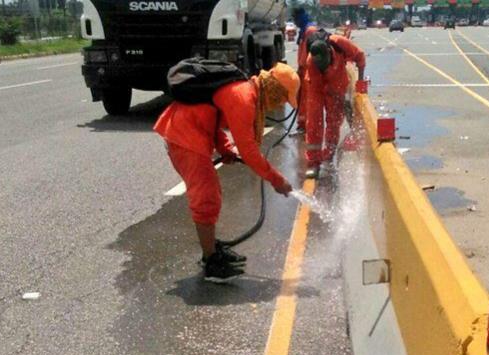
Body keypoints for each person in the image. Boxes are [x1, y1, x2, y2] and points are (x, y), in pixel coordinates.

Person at [153, 63, 299, 283]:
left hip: (191, 132)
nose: (279, 104)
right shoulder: (244, 98)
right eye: (282, 98)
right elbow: (249, 151)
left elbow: (211, 115)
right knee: (206, 197)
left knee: (211, 195)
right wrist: (277, 180)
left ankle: (210, 248)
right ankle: (211, 261)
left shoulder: (244, 92)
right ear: (275, 89)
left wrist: (225, 149)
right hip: (185, 137)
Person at [302, 32, 365, 177]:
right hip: (316, 87)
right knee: (314, 121)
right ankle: (313, 162)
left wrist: (360, 83)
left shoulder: (339, 43)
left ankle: (329, 155)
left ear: (329, 53)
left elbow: (360, 57)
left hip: (337, 83)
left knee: (334, 121)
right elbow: (318, 87)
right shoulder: (312, 62)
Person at [296, 25, 318, 133]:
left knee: (305, 99)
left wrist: (301, 67)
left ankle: (305, 125)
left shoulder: (309, 34)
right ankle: (303, 124)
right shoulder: (304, 34)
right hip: (304, 71)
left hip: (306, 72)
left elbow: (305, 55)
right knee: (302, 99)